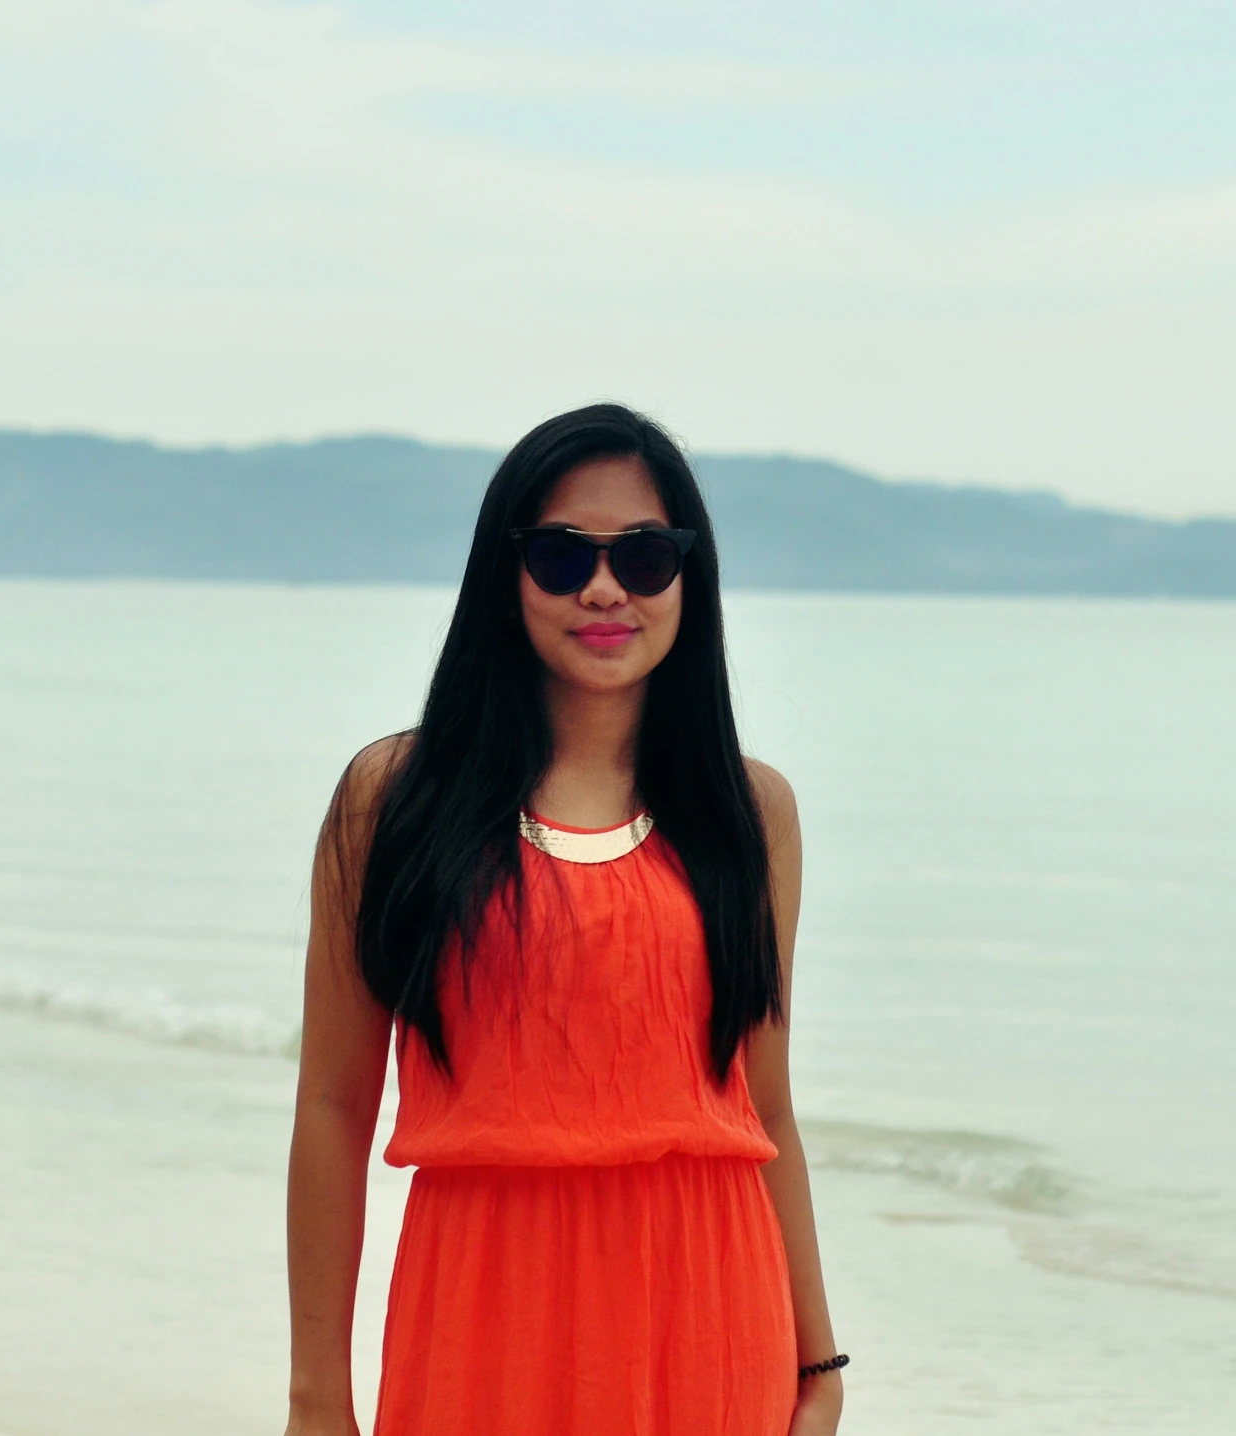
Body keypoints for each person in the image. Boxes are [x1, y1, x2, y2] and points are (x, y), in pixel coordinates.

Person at [281, 405, 846, 1436]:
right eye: (559, 555)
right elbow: (331, 1106)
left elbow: (764, 1107)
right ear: (507, 575)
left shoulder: (751, 815)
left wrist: (820, 1364)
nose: (603, 588)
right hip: (483, 1315)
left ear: (689, 577)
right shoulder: (392, 800)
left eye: (642, 556)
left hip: (712, 1317)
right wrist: (318, 1398)